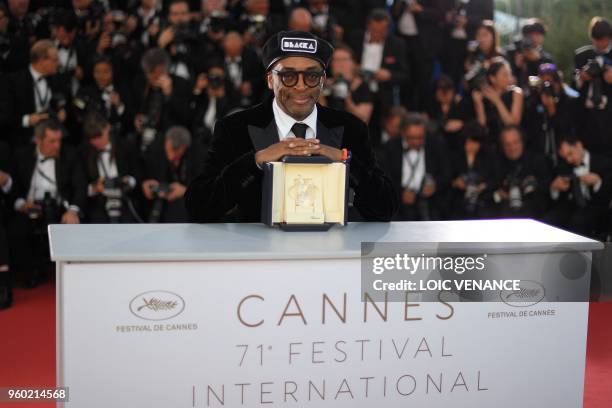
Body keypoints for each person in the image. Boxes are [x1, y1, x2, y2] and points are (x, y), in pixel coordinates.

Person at [185, 30, 398, 222]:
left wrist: (345, 161)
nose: (301, 86)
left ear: (323, 80)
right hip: (260, 257)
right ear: (270, 80)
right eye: (288, 76)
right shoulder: (235, 128)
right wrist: (256, 160)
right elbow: (199, 206)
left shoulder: (351, 128)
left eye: (312, 76)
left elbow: (385, 208)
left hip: (329, 257)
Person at [7, 119, 86, 288]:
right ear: (38, 140)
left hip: (59, 208)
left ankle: (72, 278)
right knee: (16, 230)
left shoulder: (70, 154)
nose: (57, 146)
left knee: (72, 225)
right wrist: (21, 204)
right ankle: (31, 271)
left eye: (59, 140)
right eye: (52, 141)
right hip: (30, 208)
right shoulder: (22, 155)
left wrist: (72, 210)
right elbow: (14, 190)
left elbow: (80, 187)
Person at [379, 112, 451, 221]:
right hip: (399, 204)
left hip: (429, 203)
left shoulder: (436, 144)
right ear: (403, 133)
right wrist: (400, 193)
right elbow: (384, 177)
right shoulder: (390, 147)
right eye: (411, 138)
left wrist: (435, 186)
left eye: (420, 138)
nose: (416, 142)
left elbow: (447, 172)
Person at [544, 136, 611, 238]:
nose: (569, 160)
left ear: (579, 145)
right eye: (565, 157)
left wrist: (598, 182)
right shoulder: (563, 166)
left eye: (570, 154)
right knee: (549, 220)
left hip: (596, 206)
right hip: (572, 206)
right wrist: (554, 188)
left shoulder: (604, 162)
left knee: (578, 222)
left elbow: (607, 195)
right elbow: (559, 197)